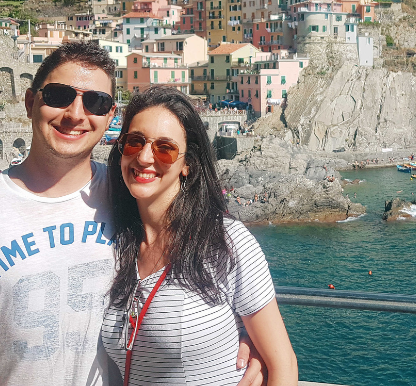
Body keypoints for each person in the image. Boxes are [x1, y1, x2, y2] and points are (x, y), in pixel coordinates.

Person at [0, 43, 264, 386]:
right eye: (59, 96)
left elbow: (205, 263)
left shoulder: (130, 195)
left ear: (110, 117)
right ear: (31, 101)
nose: (76, 114)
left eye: (96, 102)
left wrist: (246, 336)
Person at [100, 87, 298, 385]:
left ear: (187, 164)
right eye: (134, 142)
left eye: (164, 148)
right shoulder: (111, 242)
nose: (143, 157)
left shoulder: (227, 242)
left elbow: (283, 364)